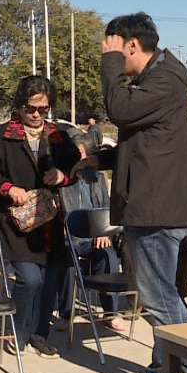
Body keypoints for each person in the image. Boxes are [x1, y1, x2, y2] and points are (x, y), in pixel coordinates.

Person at [72, 12, 187, 373]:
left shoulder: (163, 79)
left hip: (155, 207)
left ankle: (176, 372)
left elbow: (120, 110)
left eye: (114, 48)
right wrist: (103, 159)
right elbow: (150, 146)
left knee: (158, 297)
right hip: (155, 202)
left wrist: (110, 64)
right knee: (164, 293)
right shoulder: (162, 79)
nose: (111, 55)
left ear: (131, 44)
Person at [0, 75, 75, 358]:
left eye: (43, 109)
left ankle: (39, 333)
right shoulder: (2, 136)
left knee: (49, 280)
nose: (36, 114)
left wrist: (63, 175)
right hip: (14, 222)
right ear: (20, 106)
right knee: (30, 278)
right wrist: (8, 188)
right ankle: (18, 331)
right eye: (31, 108)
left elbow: (75, 168)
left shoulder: (57, 135)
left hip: (50, 219)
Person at [54, 131, 126, 332]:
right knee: (67, 260)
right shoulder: (62, 181)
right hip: (69, 239)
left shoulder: (98, 178)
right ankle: (66, 313)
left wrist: (102, 233)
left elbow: (104, 208)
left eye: (82, 157)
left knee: (107, 256)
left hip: (94, 238)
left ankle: (110, 312)